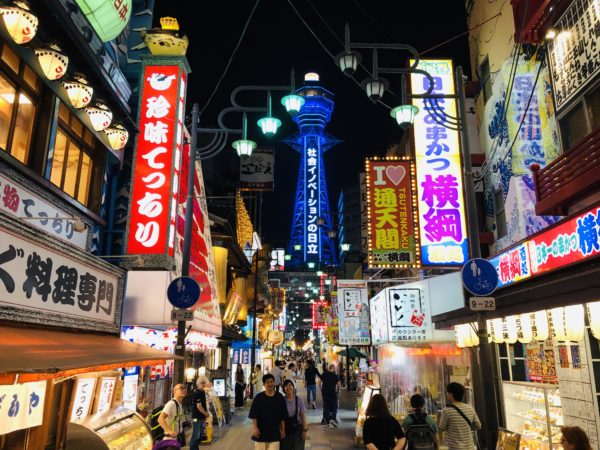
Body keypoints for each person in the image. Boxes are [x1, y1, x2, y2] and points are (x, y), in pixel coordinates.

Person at [249, 373, 287, 449]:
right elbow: (254, 414)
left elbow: (283, 416)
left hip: (275, 433)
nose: (270, 384)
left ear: (274, 382)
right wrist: (255, 428)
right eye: (267, 382)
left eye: (272, 381)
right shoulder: (259, 398)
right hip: (260, 433)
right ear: (264, 384)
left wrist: (283, 430)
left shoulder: (279, 397)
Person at [438, 382, 481, 450]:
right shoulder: (470, 408)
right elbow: (478, 425)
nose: (447, 394)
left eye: (447, 392)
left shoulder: (446, 411)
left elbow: (441, 428)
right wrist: (465, 428)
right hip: (470, 447)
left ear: (451, 394)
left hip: (455, 448)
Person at [281, 379, 308, 450]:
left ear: (293, 387)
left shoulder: (299, 399)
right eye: (286, 386)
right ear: (283, 389)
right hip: (286, 430)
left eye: (290, 385)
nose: (288, 387)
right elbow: (281, 418)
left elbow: (303, 416)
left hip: (298, 429)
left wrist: (304, 430)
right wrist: (282, 431)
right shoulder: (282, 401)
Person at [189, 377, 209, 450]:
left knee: (200, 435)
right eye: (202, 383)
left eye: (204, 383)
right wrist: (206, 413)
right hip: (196, 418)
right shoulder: (196, 393)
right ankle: (193, 448)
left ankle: (195, 448)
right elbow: (199, 406)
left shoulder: (202, 392)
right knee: (196, 434)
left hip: (202, 417)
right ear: (198, 384)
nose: (203, 385)